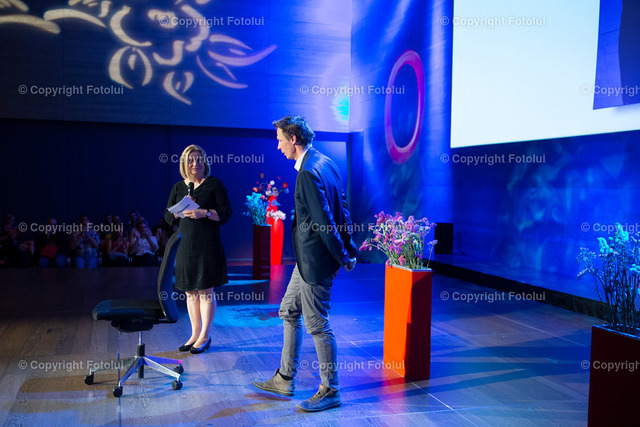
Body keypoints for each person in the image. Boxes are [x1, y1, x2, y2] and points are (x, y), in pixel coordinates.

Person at [252, 116, 359, 412]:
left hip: (316, 261)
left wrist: (343, 255)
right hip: (308, 260)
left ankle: (330, 390)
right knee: (288, 310)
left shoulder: (309, 172)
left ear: (293, 139)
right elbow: (344, 208)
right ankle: (285, 378)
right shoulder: (326, 162)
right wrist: (349, 247)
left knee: (318, 325)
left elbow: (325, 221)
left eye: (280, 140)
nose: (278, 146)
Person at [164, 144, 232, 354]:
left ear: (205, 162)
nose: (195, 164)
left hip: (207, 245)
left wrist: (205, 212)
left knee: (205, 291)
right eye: (191, 160)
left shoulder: (214, 184)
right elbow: (167, 217)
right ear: (184, 164)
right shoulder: (178, 187)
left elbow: (227, 213)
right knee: (190, 291)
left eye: (199, 159)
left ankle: (205, 336)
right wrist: (179, 210)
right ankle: (194, 334)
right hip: (185, 246)